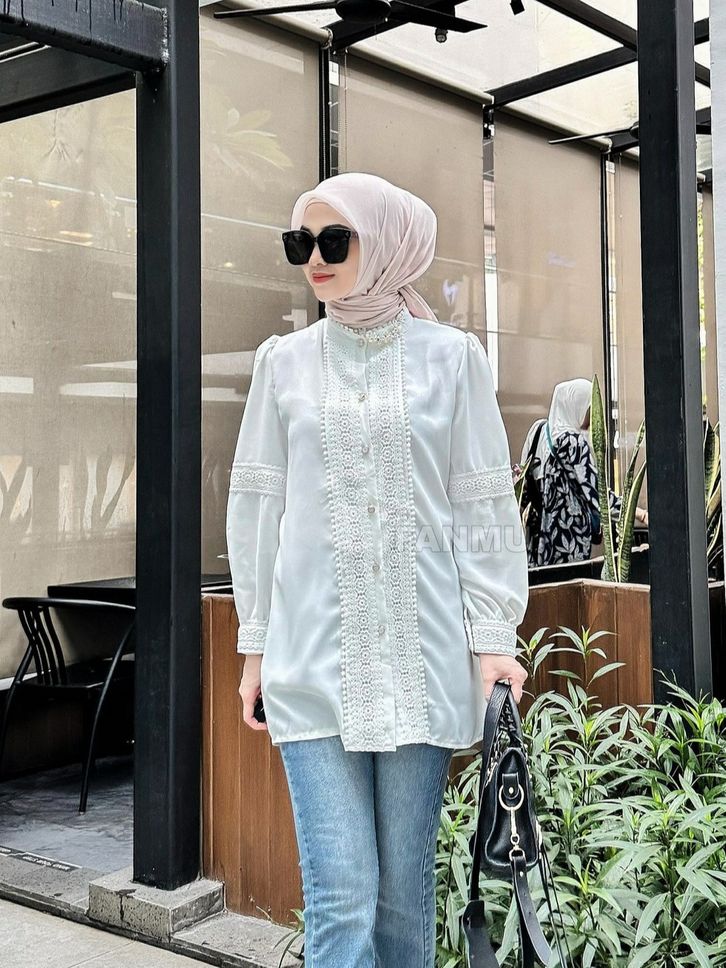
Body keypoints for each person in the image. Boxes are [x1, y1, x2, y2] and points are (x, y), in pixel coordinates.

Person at [225, 172, 529, 968]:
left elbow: (482, 503)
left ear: (389, 244)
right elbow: (258, 505)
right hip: (309, 661)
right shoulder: (283, 363)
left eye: (335, 239)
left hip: (421, 665)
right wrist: (255, 648)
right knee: (341, 893)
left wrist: (493, 639)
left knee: (401, 899)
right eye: (301, 243)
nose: (315, 259)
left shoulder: (453, 359)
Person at [520, 379, 647, 567]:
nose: (591, 417)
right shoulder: (573, 443)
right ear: (576, 406)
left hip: (536, 542)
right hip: (566, 544)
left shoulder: (538, 432)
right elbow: (598, 496)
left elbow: (522, 484)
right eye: (589, 409)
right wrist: (639, 514)